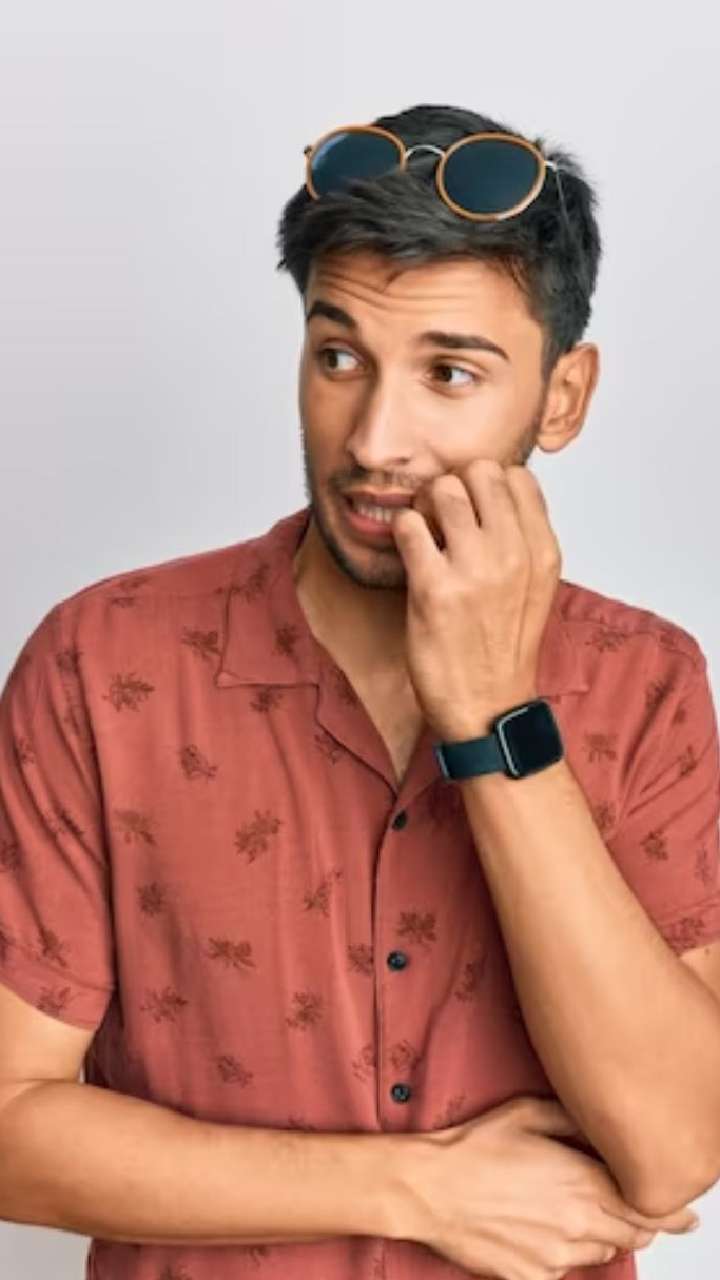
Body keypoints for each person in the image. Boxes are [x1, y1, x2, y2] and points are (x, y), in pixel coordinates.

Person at [0, 102, 718, 1280]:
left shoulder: (643, 684)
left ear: (563, 396)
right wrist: (418, 1185)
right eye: (339, 357)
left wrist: (495, 720)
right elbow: (8, 1124)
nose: (376, 439)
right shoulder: (105, 663)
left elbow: (677, 1147)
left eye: (450, 373)